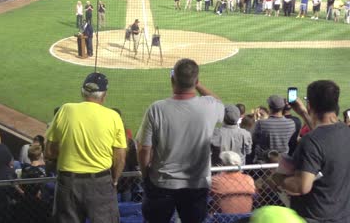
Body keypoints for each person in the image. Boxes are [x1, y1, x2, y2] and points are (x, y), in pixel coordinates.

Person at [136, 58, 224, 223]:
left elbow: (144, 149)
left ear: (172, 80)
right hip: (196, 185)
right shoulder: (210, 105)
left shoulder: (157, 108)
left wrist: (146, 174)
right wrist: (197, 84)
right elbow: (219, 103)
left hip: (161, 184)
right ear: (196, 81)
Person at [45, 72, 127, 223]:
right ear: (104, 95)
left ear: (82, 92)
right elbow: (120, 158)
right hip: (101, 182)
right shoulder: (113, 116)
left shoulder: (65, 109)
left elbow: (49, 150)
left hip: (68, 181)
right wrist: (114, 180)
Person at [274, 80, 350, 222]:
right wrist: (304, 114)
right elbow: (326, 138)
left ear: (310, 105)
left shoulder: (310, 141)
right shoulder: (345, 132)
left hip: (314, 218)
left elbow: (302, 186)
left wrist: (278, 179)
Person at [253, 95, 295, 162]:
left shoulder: (261, 123)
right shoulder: (291, 123)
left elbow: (254, 139)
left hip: (263, 162)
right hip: (282, 161)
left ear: (270, 107)